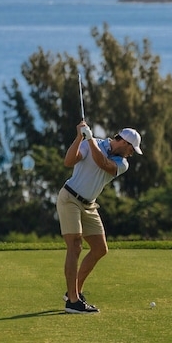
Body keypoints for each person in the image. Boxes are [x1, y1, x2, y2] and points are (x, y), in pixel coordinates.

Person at [57, 120, 142, 314]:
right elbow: (69, 161)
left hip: (89, 205)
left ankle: (74, 292)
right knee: (75, 245)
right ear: (125, 143)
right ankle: (73, 301)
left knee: (100, 249)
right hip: (69, 198)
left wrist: (90, 139)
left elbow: (103, 163)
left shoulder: (122, 163)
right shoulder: (89, 142)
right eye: (132, 149)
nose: (131, 154)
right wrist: (80, 138)